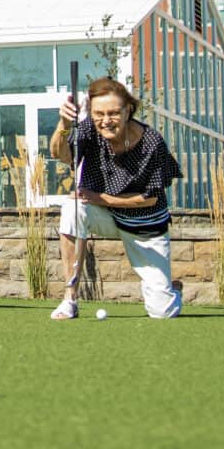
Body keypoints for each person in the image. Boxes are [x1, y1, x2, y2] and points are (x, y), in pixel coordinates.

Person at [49, 76, 184, 321]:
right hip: (106, 215)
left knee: (163, 312)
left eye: (113, 113)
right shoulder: (90, 128)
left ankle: (170, 290)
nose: (105, 120)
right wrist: (64, 124)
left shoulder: (152, 143)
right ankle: (70, 300)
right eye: (99, 113)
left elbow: (148, 199)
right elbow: (60, 154)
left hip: (144, 226)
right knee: (72, 207)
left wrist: (98, 198)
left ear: (128, 110)